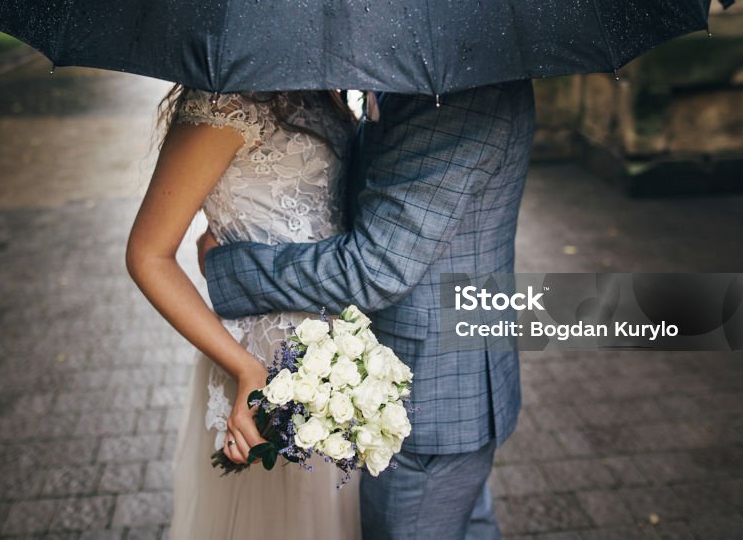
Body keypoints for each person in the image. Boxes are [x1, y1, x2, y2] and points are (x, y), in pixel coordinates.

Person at [200, 81, 536, 540]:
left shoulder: (459, 93)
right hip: (435, 368)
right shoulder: (428, 74)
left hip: (434, 391)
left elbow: (375, 267)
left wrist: (230, 266)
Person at [126, 86, 359, 539]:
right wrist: (245, 368)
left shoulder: (321, 90)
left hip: (339, 354)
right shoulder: (223, 101)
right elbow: (147, 254)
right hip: (262, 359)